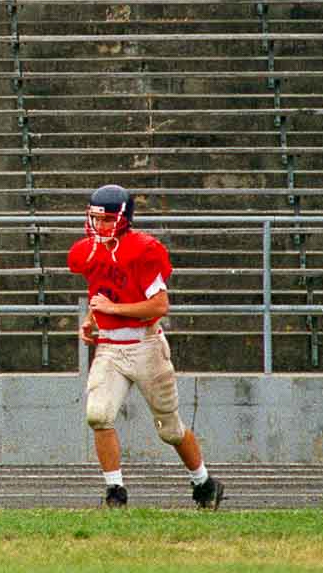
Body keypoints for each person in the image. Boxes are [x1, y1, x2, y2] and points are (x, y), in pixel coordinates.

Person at [70, 183, 223, 511]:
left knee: (170, 429)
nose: (99, 226)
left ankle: (204, 482)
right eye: (95, 219)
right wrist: (93, 319)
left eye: (107, 219)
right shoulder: (89, 250)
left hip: (146, 346)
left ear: (124, 220)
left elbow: (158, 306)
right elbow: (105, 290)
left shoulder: (143, 250)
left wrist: (111, 311)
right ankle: (115, 491)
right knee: (98, 415)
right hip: (110, 347)